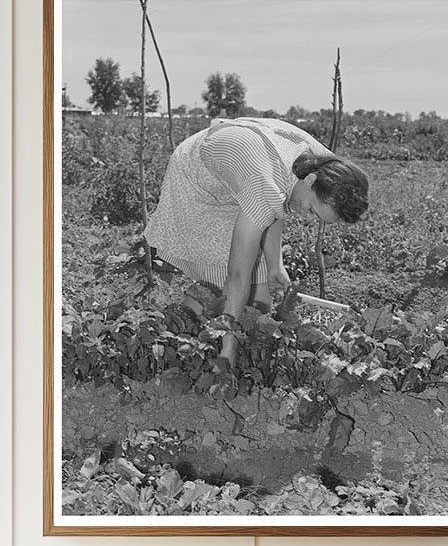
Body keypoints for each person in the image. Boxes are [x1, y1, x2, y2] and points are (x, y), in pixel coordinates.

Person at [143, 116, 369, 366]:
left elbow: (278, 199)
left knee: (260, 293)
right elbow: (237, 276)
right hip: (197, 176)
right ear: (311, 180)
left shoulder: (324, 164)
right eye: (312, 210)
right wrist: (226, 355)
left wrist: (275, 265)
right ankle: (174, 341)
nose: (307, 217)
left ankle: (232, 349)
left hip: (246, 172)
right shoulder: (265, 187)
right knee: (221, 280)